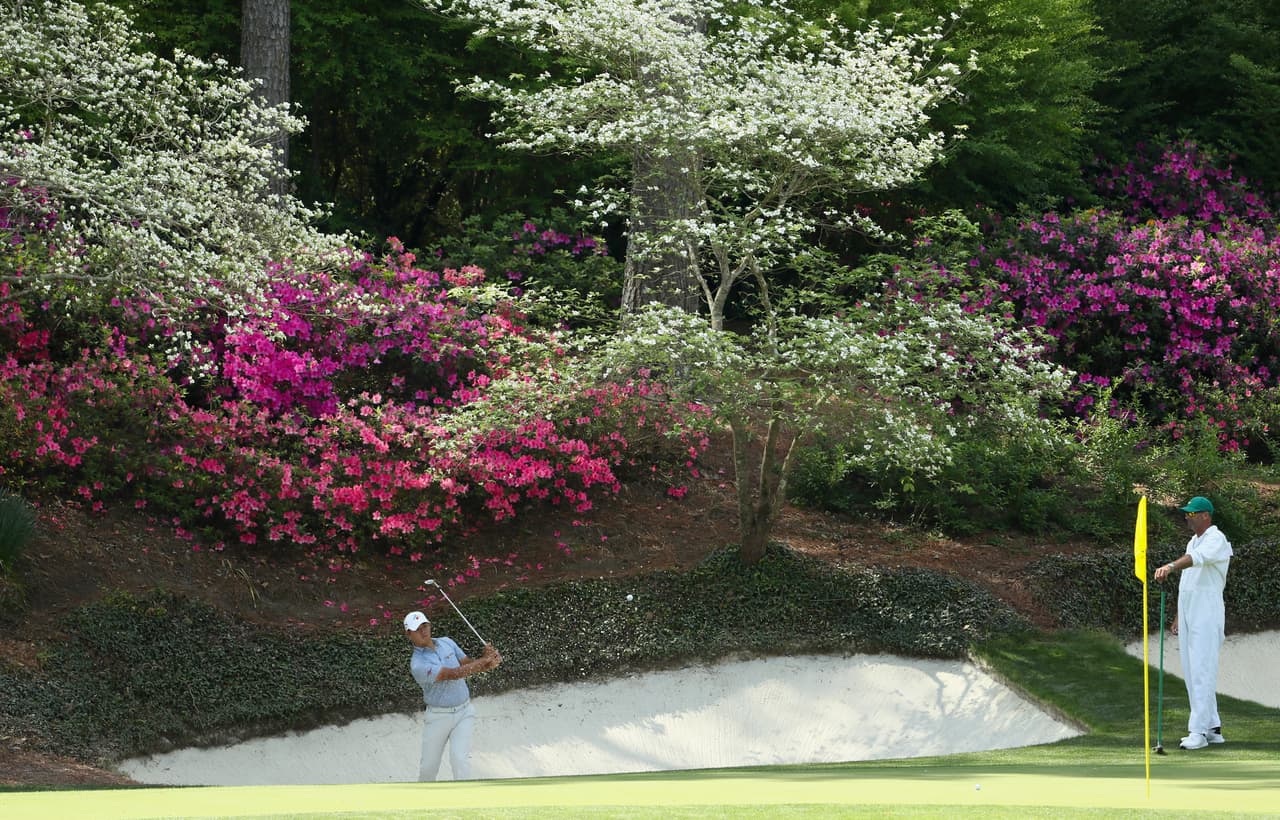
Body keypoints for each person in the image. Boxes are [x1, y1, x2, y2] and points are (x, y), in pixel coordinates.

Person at [1154, 496, 1233, 751]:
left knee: (1202, 670)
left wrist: (1170, 565)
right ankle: (1212, 727)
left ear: (1205, 516)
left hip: (1207, 612)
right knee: (1192, 670)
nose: (1187, 518)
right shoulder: (1193, 541)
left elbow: (1195, 560)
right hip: (1189, 612)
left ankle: (1197, 732)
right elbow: (1188, 581)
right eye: (1186, 514)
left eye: (1192, 514)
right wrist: (1179, 614)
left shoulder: (1216, 539)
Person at [404, 610, 502, 780]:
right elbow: (453, 674)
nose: (423, 631)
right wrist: (484, 660)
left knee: (460, 760)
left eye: (425, 625)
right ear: (409, 634)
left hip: (464, 712)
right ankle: (423, 802)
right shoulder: (418, 664)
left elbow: (468, 665)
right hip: (438, 717)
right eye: (417, 628)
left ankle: (464, 802)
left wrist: (489, 662)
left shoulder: (447, 642)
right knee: (428, 767)